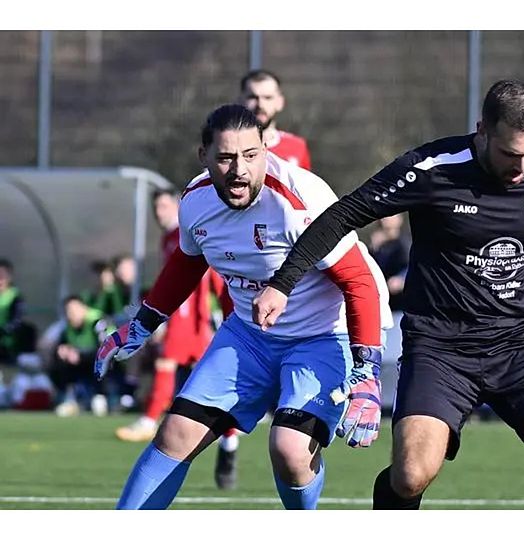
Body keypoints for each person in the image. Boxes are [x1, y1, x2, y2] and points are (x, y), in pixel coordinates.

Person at [252, 79, 524, 510]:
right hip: (441, 348)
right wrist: (282, 283)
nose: (522, 168)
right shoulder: (431, 168)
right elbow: (344, 214)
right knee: (410, 476)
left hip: (522, 343)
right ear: (482, 130)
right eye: (510, 155)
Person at [95, 104, 391, 510]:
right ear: (204, 157)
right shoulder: (196, 201)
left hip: (324, 335)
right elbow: (188, 261)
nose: (240, 170)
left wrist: (368, 373)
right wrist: (143, 324)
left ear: (266, 150)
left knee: (289, 449)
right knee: (175, 434)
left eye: (250, 156)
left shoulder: (300, 200)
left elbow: (359, 281)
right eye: (226, 157)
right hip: (249, 336)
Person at [50, 296, 114, 417]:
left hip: (113, 360)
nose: (71, 314)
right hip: (82, 361)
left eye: (74, 310)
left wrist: (80, 355)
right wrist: (63, 351)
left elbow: (107, 349)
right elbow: (62, 345)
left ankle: (101, 397)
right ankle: (69, 399)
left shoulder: (97, 321)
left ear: (84, 308)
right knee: (58, 362)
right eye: (68, 311)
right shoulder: (68, 327)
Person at [240, 69, 312, 170]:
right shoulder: (228, 146)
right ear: (240, 100)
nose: (260, 104)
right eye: (252, 97)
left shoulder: (297, 146)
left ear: (280, 102)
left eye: (267, 97)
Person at [369, 214, 411, 309]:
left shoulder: (405, 242)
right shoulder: (378, 245)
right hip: (385, 305)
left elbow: (412, 266)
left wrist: (400, 279)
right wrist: (373, 250)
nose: (385, 219)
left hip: (401, 305)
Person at [0, 259, 26, 364]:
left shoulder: (16, 297)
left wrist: (2, 331)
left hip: (7, 346)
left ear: (9, 277)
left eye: (3, 276)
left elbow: (16, 321)